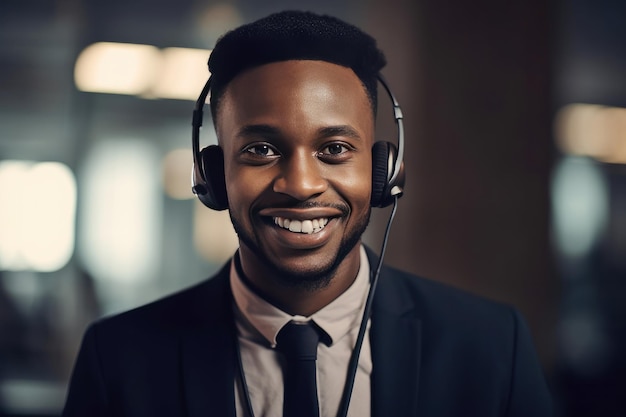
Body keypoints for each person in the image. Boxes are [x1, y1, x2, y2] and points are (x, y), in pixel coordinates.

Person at [62, 10, 553, 417]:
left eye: (335, 148)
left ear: (384, 170)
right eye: (259, 149)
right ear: (212, 173)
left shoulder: (491, 348)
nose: (300, 185)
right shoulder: (119, 360)